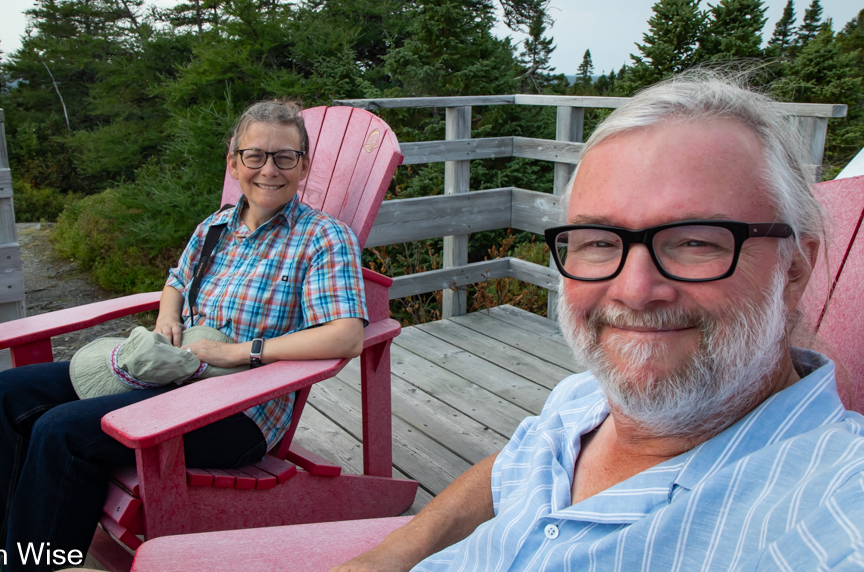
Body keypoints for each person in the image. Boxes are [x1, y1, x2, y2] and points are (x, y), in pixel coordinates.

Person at [333, 73, 864, 571]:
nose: (634, 290)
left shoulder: (830, 520)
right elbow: (510, 467)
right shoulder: (585, 397)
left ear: (794, 268)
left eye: (696, 241)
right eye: (599, 242)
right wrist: (393, 553)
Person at [0, 101, 368, 572]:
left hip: (238, 410)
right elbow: (176, 280)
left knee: (63, 431)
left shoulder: (322, 237)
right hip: (174, 373)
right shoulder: (216, 226)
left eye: (285, 157)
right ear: (233, 162)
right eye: (255, 155)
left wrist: (240, 352)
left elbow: (345, 337)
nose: (269, 170)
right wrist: (166, 318)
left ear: (304, 165)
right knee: (5, 392)